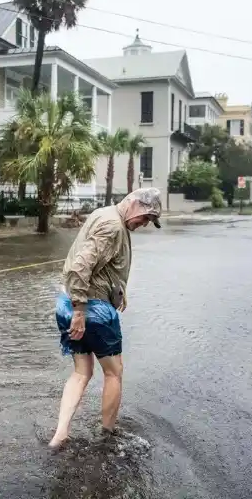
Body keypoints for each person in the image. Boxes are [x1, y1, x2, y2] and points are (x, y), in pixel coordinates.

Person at [48, 187, 162, 449]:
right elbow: (80, 266)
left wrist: (118, 290)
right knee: (114, 373)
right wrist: (80, 312)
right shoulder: (112, 226)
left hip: (66, 303)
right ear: (133, 203)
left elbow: (103, 264)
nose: (144, 224)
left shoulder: (106, 214)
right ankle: (107, 435)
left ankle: (60, 435)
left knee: (81, 372)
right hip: (90, 310)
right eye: (145, 217)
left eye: (149, 221)